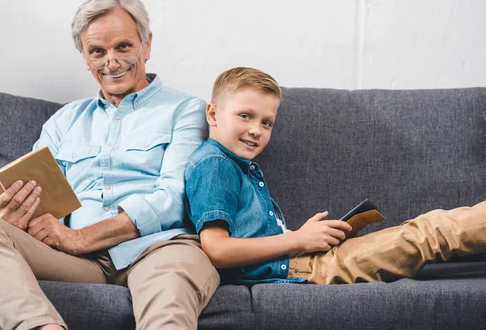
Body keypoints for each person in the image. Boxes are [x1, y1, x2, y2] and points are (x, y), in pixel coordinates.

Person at [0, 0, 219, 330]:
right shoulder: (65, 121)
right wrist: (13, 215)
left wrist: (80, 237)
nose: (111, 62)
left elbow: (175, 200)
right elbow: (46, 206)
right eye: (97, 51)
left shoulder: (186, 110)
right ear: (85, 58)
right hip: (77, 261)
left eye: (123, 46)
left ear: (146, 45)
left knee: (169, 299)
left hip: (160, 250)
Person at [185, 66, 486, 285]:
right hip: (304, 268)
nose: (256, 130)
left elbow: (252, 236)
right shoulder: (215, 164)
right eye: (245, 116)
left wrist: (302, 237)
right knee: (426, 233)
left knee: (427, 229)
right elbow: (217, 250)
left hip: (303, 261)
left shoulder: (235, 165)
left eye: (267, 123)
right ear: (213, 114)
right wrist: (298, 241)